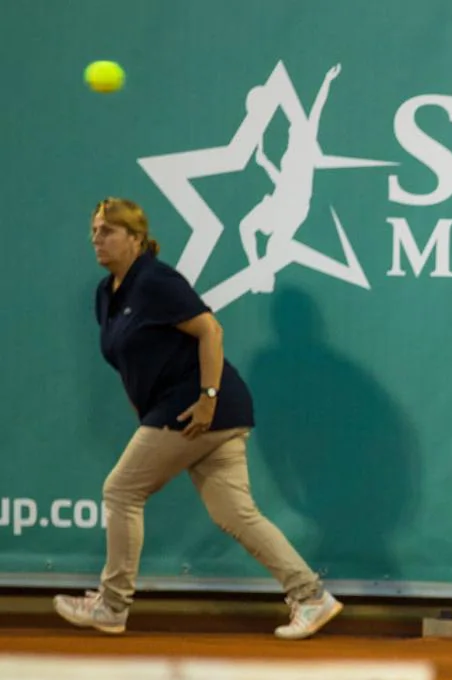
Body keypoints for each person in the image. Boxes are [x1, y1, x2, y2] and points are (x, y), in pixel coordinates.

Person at [53, 197, 343, 641]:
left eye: (107, 231)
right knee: (236, 513)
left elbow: (210, 330)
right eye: (94, 230)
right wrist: (146, 410)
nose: (97, 238)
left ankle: (112, 606)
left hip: (196, 407)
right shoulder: (105, 294)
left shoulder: (155, 280)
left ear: (135, 238)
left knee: (121, 491)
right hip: (186, 408)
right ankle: (311, 597)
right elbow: (129, 359)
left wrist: (207, 398)